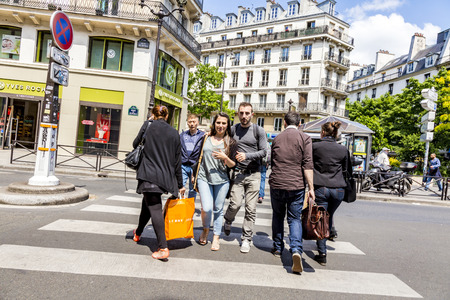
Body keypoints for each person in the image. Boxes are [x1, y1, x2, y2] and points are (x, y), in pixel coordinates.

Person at [131, 105, 185, 260]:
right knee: (147, 204)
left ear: (152, 115)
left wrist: (147, 123)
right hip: (164, 177)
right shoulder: (174, 132)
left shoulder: (148, 126)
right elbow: (177, 161)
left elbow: (135, 144)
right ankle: (139, 232)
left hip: (148, 174)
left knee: (154, 208)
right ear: (167, 116)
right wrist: (180, 184)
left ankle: (163, 247)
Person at [269, 111, 314, 274]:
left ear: (284, 123)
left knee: (278, 216)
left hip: (277, 182)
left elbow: (271, 161)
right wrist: (311, 188)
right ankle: (296, 250)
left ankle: (277, 247)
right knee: (294, 219)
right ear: (300, 123)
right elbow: (307, 164)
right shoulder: (305, 138)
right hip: (296, 185)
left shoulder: (277, 138)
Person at [223, 102, 267, 253]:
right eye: (241, 113)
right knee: (234, 204)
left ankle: (246, 238)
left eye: (247, 113)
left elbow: (263, 152)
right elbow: (222, 138)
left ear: (252, 114)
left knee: (251, 208)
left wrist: (246, 155)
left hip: (254, 174)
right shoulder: (234, 129)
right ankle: (228, 219)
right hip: (238, 173)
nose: (244, 116)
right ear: (238, 113)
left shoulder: (258, 130)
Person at [192, 113, 237, 251]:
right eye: (218, 122)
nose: (221, 126)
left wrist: (225, 157)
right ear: (214, 123)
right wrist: (194, 174)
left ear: (227, 125)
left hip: (222, 180)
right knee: (207, 208)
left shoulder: (231, 142)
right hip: (203, 177)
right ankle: (206, 229)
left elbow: (233, 165)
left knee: (218, 209)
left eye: (224, 123)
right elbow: (197, 156)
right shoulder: (205, 137)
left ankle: (216, 237)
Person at [312, 121, 352, 266]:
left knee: (322, 219)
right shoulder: (342, 149)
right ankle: (327, 235)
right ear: (336, 133)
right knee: (328, 216)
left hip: (321, 187)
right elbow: (347, 169)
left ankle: (322, 253)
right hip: (339, 189)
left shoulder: (315, 147)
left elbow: (308, 165)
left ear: (322, 132)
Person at [180, 114, 205, 199]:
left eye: (194, 122)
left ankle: (190, 209)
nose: (192, 124)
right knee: (180, 187)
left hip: (195, 166)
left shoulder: (203, 136)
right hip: (183, 165)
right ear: (187, 123)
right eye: (190, 122)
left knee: (192, 189)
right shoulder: (183, 135)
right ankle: (181, 206)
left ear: (197, 122)